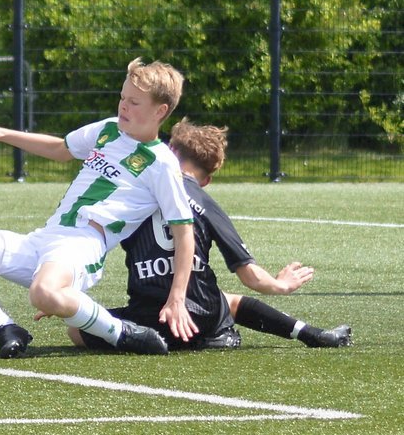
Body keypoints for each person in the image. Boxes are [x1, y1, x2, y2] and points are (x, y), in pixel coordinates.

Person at [0, 57, 198, 357]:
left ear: (160, 111)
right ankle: (3, 328)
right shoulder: (107, 130)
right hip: (44, 238)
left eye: (134, 102)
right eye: (122, 97)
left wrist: (177, 297)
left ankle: (122, 332)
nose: (123, 106)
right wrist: (1, 134)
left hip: (81, 245)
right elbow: (60, 149)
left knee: (43, 293)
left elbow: (184, 232)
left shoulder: (162, 163)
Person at [69, 118, 352, 352]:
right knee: (229, 300)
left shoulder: (134, 192)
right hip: (201, 316)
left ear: (170, 150)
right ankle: (310, 334)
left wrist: (64, 284)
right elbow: (250, 276)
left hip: (150, 316)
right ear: (206, 180)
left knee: (77, 330)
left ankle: (148, 340)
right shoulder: (206, 203)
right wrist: (281, 285)